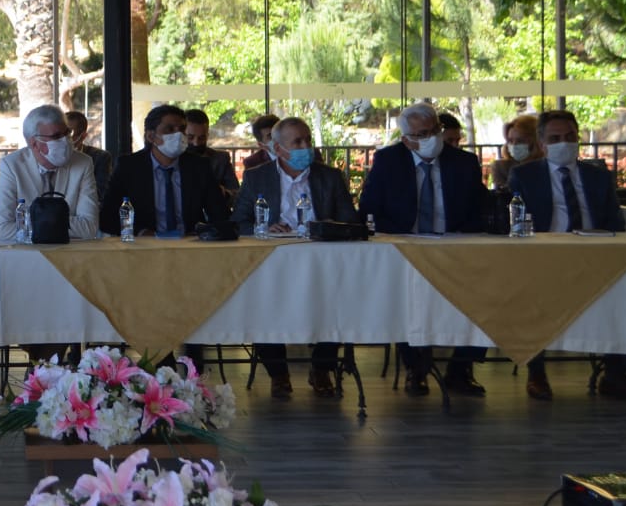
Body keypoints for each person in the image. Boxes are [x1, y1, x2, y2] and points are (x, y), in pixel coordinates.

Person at [510, 109, 626, 402]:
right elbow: (517, 221)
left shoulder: (598, 177)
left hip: (593, 254)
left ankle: (616, 374)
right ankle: (536, 373)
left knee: (621, 289)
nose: (564, 143)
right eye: (555, 138)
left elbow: (615, 222)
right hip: (543, 257)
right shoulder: (524, 175)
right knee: (530, 293)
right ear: (542, 144)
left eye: (570, 136)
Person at [359, 102, 488, 397]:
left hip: (455, 247)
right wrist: (401, 236)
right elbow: (369, 209)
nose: (430, 138)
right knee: (405, 298)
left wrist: (460, 236)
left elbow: (479, 208)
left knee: (484, 292)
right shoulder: (388, 160)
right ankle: (415, 369)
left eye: (434, 131)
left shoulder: (464, 162)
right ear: (407, 140)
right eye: (421, 134)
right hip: (406, 247)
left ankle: (460, 370)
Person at [231, 117, 357, 399]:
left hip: (322, 264)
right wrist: (264, 227)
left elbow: (350, 221)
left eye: (307, 140)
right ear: (278, 148)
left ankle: (322, 368)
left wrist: (325, 227)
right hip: (272, 263)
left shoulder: (329, 177)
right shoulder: (256, 177)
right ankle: (278, 374)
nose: (305, 147)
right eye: (297, 142)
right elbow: (238, 222)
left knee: (338, 302)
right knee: (260, 304)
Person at [98, 104, 230, 238]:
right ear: (151, 136)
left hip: (189, 243)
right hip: (144, 244)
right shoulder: (129, 167)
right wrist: (141, 232)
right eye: (170, 129)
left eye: (182, 129)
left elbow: (220, 215)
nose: (178, 135)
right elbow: (107, 218)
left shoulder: (199, 166)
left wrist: (204, 232)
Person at [0, 104, 102, 242]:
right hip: (26, 253)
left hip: (69, 251)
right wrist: (59, 223)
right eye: (56, 136)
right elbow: (2, 229)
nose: (65, 141)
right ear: (34, 143)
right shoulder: (12, 166)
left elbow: (89, 227)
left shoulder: (83, 163)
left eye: (67, 133)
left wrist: (33, 224)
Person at [184, 108, 240, 205]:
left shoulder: (220, 159)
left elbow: (238, 195)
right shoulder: (171, 159)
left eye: (202, 138)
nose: (196, 143)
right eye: (190, 137)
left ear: (207, 135)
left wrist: (224, 193)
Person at [66, 110, 113, 198]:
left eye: (69, 134)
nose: (63, 138)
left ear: (83, 136)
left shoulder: (100, 158)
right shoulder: (52, 156)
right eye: (60, 133)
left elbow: (99, 193)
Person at [490, 114, 540, 191]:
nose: (514, 145)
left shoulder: (547, 165)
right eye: (510, 141)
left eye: (520, 141)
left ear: (535, 141)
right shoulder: (501, 167)